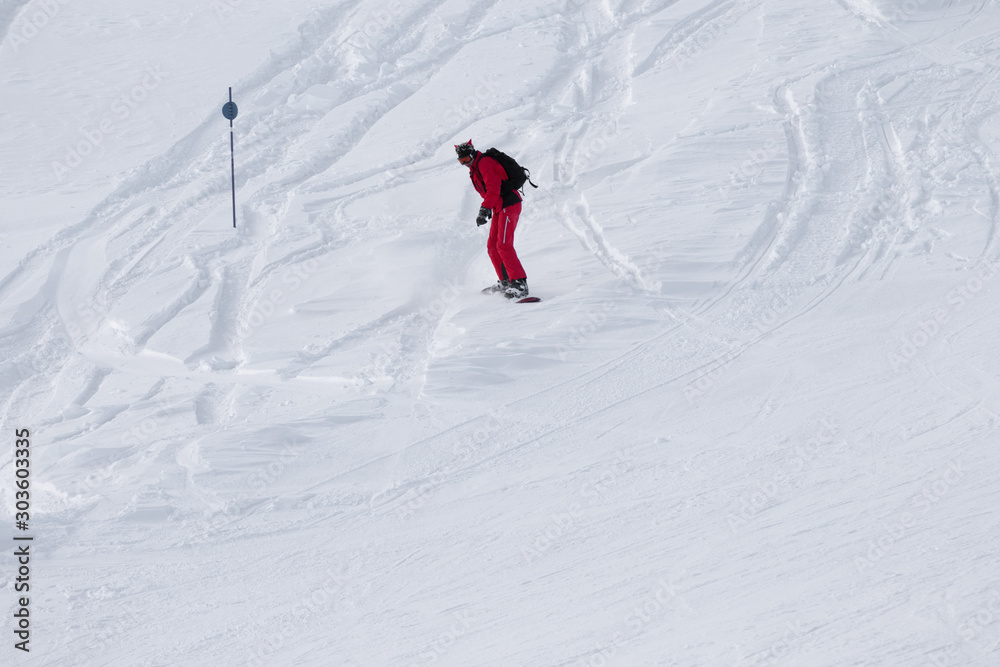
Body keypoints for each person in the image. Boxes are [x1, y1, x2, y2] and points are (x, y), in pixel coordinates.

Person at [455, 140, 528, 299]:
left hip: (509, 204)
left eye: (466, 159)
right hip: (499, 207)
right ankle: (506, 281)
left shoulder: (484, 163)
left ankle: (520, 284)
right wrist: (489, 207)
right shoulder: (475, 168)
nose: (465, 163)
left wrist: (484, 208)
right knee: (492, 246)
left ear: (473, 153)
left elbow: (493, 187)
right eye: (461, 161)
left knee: (503, 245)